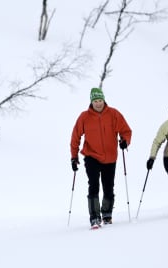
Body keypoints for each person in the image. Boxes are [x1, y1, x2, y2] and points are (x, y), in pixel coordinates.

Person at [70, 88, 132, 229]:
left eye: (100, 101)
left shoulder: (114, 114)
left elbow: (126, 131)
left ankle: (107, 214)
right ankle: (94, 217)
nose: (98, 104)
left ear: (104, 100)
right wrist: (74, 157)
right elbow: (75, 137)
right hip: (91, 156)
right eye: (95, 101)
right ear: (91, 102)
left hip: (110, 157)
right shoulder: (84, 117)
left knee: (108, 186)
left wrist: (124, 141)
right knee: (94, 185)